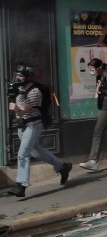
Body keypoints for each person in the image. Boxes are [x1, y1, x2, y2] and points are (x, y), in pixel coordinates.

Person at [6, 65, 72, 197]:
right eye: (17, 75)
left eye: (20, 75)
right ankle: (62, 167)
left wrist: (15, 108)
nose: (17, 78)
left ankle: (21, 185)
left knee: (22, 154)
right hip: (22, 126)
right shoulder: (19, 88)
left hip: (33, 125)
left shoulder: (35, 91)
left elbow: (23, 109)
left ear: (28, 77)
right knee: (36, 153)